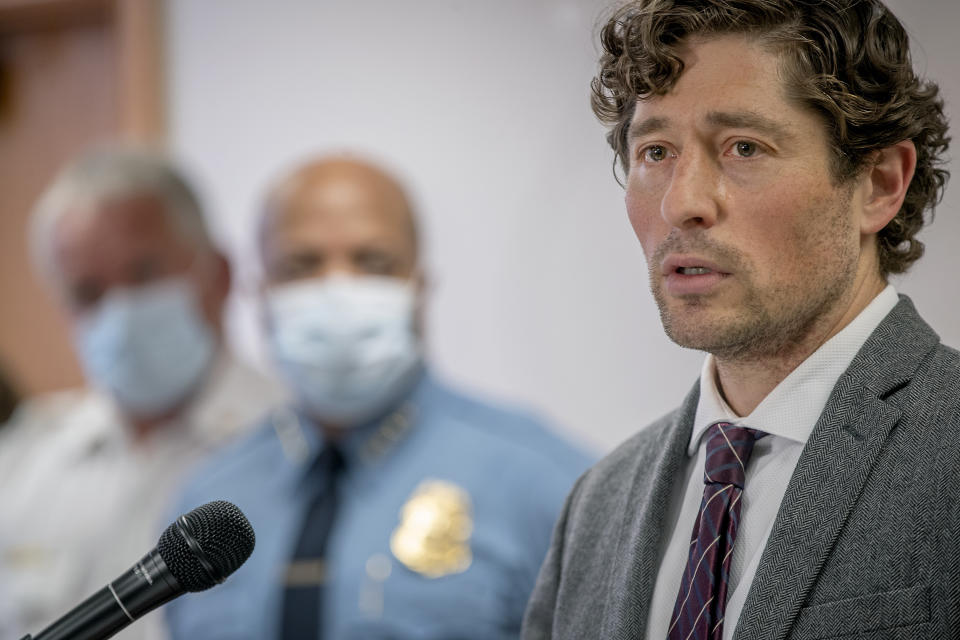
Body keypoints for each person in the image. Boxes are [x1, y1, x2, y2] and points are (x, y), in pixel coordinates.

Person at [523, 1, 955, 638]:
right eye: (656, 152)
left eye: (743, 147)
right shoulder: (597, 504)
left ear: (879, 184)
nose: (681, 202)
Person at [164, 155, 593, 639]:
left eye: (373, 262)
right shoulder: (207, 506)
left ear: (420, 288)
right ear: (260, 293)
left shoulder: (546, 487)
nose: (337, 290)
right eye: (301, 265)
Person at [0, 147, 285, 639]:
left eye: (144, 274)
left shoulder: (298, 443)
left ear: (218, 273)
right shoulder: (24, 461)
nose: (120, 311)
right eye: (88, 292)